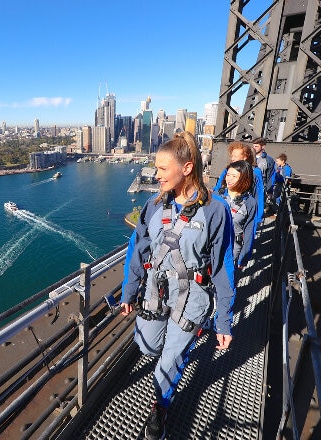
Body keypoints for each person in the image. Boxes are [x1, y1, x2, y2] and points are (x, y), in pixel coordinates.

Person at [121, 132, 236, 440]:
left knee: (170, 358)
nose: (155, 175)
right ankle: (173, 355)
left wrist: (223, 318)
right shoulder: (154, 205)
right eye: (156, 169)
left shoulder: (215, 209)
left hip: (193, 295)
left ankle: (160, 406)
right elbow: (138, 248)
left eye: (162, 169)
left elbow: (223, 265)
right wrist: (129, 290)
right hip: (156, 289)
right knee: (147, 345)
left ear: (187, 168)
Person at [213, 141, 264, 232]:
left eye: (235, 156)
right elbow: (218, 188)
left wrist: (258, 218)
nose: (232, 159)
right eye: (232, 156)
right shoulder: (227, 170)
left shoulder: (255, 173)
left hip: (243, 212)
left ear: (245, 157)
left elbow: (258, 195)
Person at [218, 160, 258, 268]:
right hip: (214, 246)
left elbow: (249, 231)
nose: (229, 179)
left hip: (233, 249)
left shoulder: (250, 203)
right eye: (228, 175)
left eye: (234, 176)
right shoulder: (217, 196)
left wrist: (244, 256)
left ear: (244, 179)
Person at [252, 137, 276, 204]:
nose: (254, 148)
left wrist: (270, 191)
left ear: (263, 147)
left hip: (260, 188)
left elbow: (270, 176)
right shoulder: (248, 158)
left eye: (256, 146)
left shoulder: (268, 160)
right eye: (253, 146)